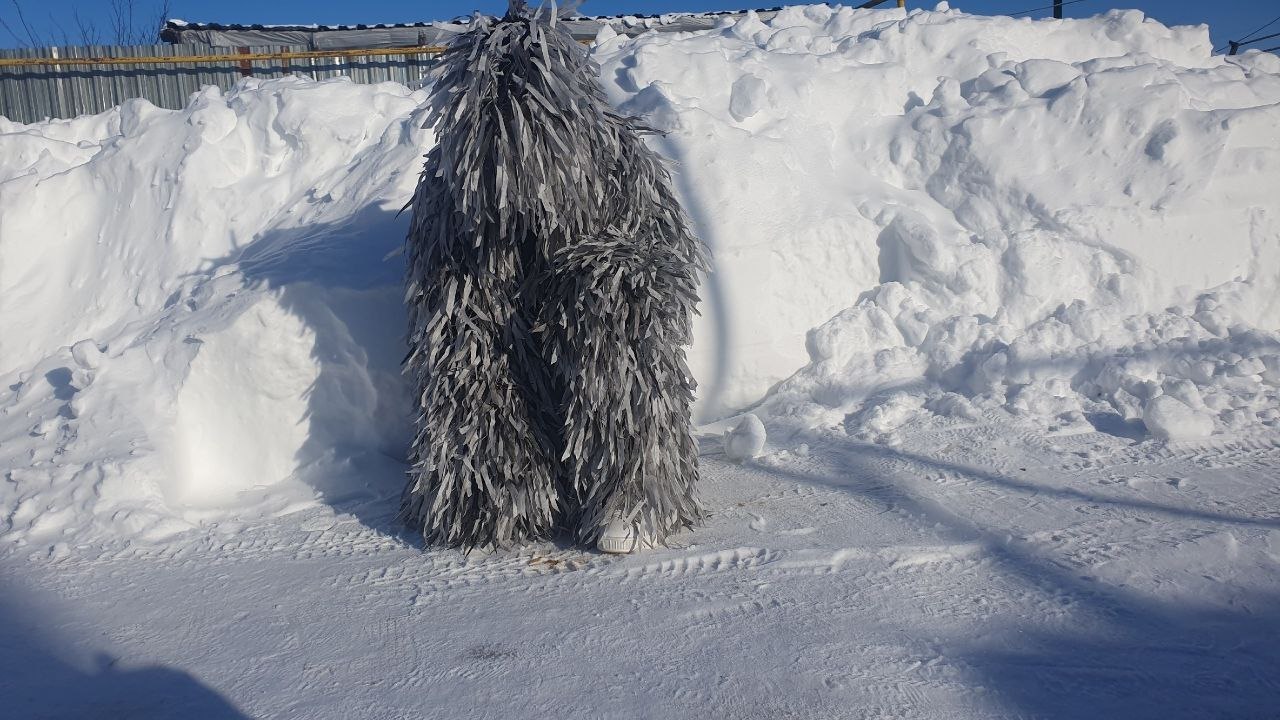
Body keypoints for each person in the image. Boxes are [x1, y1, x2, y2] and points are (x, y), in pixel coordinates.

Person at [401, 1, 706, 553]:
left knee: (617, 302)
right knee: (465, 331)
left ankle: (631, 487)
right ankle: (494, 488)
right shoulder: (451, 187)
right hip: (502, 288)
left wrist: (610, 279)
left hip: (584, 286)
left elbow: (658, 253)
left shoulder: (616, 159)